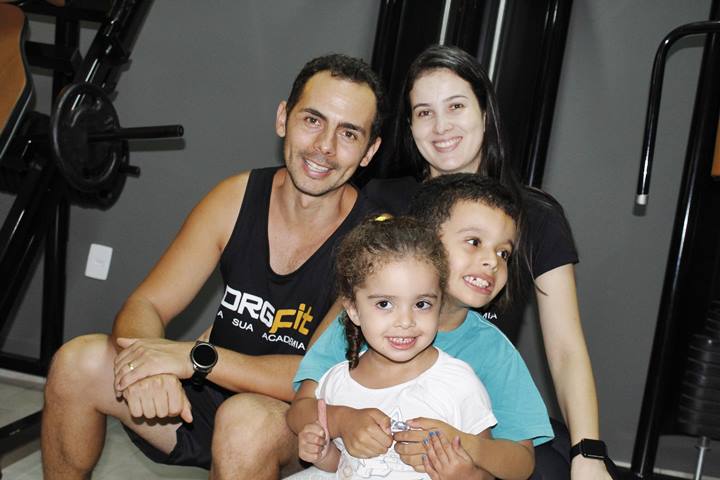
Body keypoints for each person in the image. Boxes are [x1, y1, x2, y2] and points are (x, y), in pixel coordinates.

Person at [40, 53, 385, 480]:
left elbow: (309, 374)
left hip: (298, 422)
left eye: (348, 133)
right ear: (283, 118)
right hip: (205, 392)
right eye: (312, 120)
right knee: (77, 363)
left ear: (369, 151)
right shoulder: (234, 197)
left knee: (244, 421)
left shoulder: (373, 242)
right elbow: (148, 303)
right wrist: (146, 362)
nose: (325, 146)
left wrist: (193, 358)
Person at [363, 44, 611, 479]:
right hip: (386, 407)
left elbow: (566, 349)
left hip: (491, 419)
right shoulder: (384, 201)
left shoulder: (535, 216)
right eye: (424, 112)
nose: (441, 126)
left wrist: (588, 453)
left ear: (485, 112)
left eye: (456, 106)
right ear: (410, 126)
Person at [288, 174, 549, 480]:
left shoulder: (486, 359)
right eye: (474, 242)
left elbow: (521, 461)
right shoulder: (356, 327)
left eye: (504, 253)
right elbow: (302, 410)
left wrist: (462, 448)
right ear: (427, 243)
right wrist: (341, 421)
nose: (493, 262)